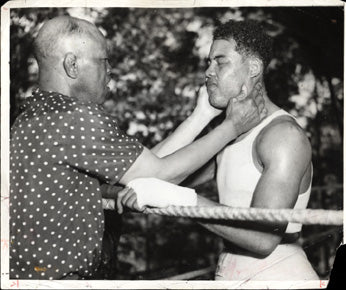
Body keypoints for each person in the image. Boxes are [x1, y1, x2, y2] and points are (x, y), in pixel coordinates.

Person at [9, 16, 265, 280]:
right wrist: (232, 126)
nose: (110, 70)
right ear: (72, 64)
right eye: (103, 61)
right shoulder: (75, 117)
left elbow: (145, 169)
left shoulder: (31, 116)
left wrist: (201, 115)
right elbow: (159, 175)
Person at [120, 20, 319, 281]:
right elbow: (152, 174)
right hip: (232, 272)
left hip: (278, 276)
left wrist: (182, 200)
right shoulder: (230, 132)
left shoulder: (283, 136)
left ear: (254, 68)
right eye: (208, 62)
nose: (208, 72)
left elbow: (262, 238)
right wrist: (200, 115)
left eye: (220, 62)